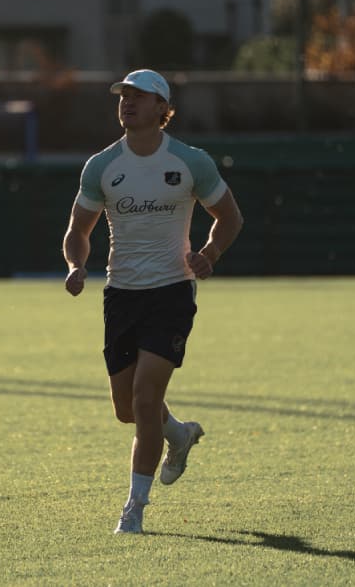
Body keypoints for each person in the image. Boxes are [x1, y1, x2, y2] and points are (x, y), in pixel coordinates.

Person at [62, 69, 243, 534]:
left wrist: (210, 253)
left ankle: (133, 512)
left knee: (145, 400)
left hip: (171, 293)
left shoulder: (190, 161)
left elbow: (229, 217)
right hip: (121, 295)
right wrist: (75, 265)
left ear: (163, 109)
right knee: (127, 409)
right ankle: (178, 434)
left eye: (139, 97)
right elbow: (77, 232)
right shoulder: (101, 166)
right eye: (123, 96)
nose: (127, 103)